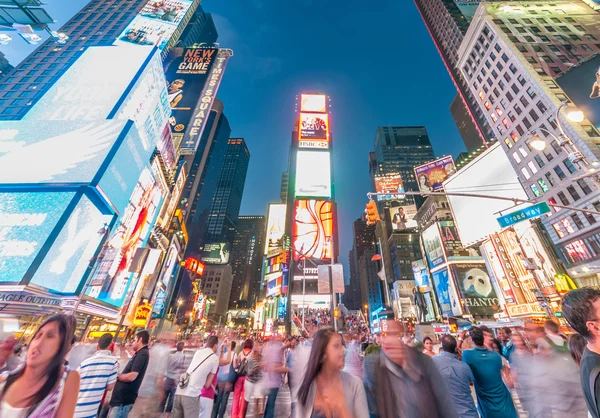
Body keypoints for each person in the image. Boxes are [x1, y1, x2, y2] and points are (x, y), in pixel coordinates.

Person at [364, 316, 457, 418]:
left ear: (401, 336)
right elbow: (373, 410)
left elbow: (444, 403)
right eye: (383, 335)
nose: (388, 340)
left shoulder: (423, 361)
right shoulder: (372, 365)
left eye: (393, 334)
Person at [0, 314, 80, 417]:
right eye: (38, 336)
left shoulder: (67, 379)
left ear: (63, 347)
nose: (39, 342)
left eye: (50, 336)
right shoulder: (5, 379)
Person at [297, 328, 368, 418]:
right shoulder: (307, 387)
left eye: (342, 345)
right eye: (336, 346)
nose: (343, 350)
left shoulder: (355, 385)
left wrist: (342, 409)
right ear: (322, 354)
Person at [462, 327, 517, 418]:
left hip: (486, 403)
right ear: (483, 339)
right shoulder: (495, 356)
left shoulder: (468, 356)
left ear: (472, 340)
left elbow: (457, 349)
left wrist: (462, 338)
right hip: (502, 398)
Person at [432, 335, 478, 418]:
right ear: (455, 348)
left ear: (442, 346)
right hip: (468, 413)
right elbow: (471, 382)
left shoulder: (433, 362)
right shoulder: (464, 367)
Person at [173, 336, 219, 418]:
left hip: (179, 391)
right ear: (215, 345)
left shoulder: (198, 352)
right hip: (192, 395)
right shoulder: (215, 358)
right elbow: (207, 384)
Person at [75, 333, 119, 418]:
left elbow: (75, 382)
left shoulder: (85, 362)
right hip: (90, 411)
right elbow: (110, 387)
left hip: (75, 408)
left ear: (98, 346)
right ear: (110, 345)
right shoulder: (113, 362)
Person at [108, 330, 150, 418]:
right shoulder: (139, 353)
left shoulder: (142, 354)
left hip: (123, 401)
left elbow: (132, 376)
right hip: (120, 400)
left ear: (140, 339)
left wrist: (118, 376)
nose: (133, 343)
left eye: (134, 340)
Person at [200, 338, 232, 418]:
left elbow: (218, 359)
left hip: (200, 391)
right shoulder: (214, 359)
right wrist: (229, 347)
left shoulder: (204, 356)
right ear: (214, 346)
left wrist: (221, 348)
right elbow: (227, 361)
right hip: (208, 393)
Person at [160, 341, 187, 418]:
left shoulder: (171, 356)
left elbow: (166, 366)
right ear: (183, 348)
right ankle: (167, 416)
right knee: (171, 399)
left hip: (168, 377)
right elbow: (183, 368)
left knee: (164, 397)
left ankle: (159, 413)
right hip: (176, 379)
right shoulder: (183, 356)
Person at [262, 338, 288, 418]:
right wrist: (288, 369)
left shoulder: (269, 350)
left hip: (269, 380)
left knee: (270, 402)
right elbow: (275, 367)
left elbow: (266, 367)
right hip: (274, 382)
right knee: (271, 404)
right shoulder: (275, 352)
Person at [212, 340, 237, 418]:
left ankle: (214, 415)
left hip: (220, 379)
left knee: (218, 398)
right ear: (234, 347)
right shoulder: (234, 354)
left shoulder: (223, 354)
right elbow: (235, 366)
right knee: (224, 399)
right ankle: (221, 416)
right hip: (228, 379)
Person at [231, 339, 253, 418]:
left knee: (236, 396)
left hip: (239, 377)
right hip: (247, 378)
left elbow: (235, 366)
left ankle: (234, 415)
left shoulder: (241, 353)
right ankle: (241, 415)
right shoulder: (252, 354)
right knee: (244, 397)